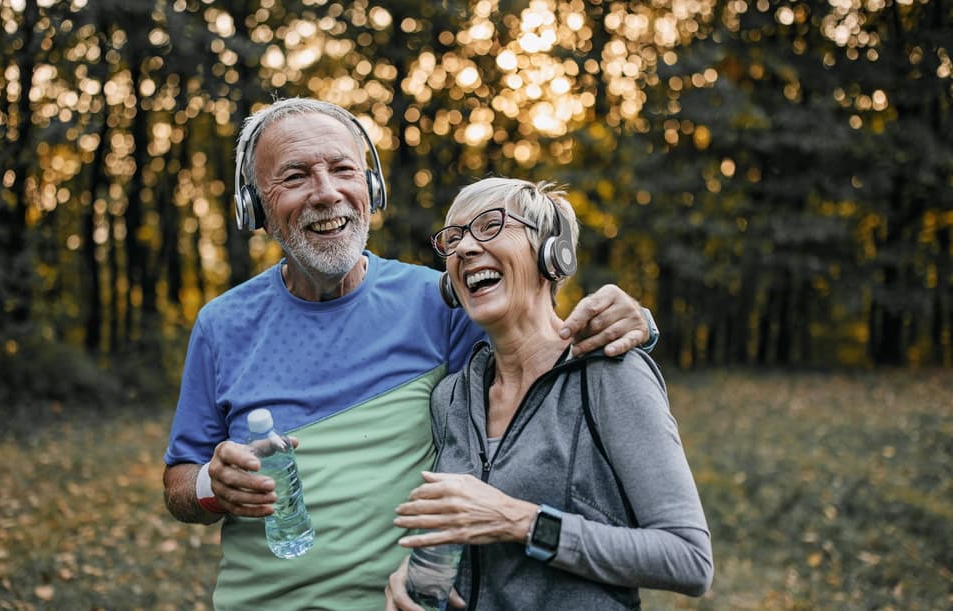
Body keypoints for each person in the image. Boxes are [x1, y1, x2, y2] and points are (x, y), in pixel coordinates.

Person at [162, 98, 657, 610]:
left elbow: (543, 350)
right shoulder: (222, 325)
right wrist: (210, 486)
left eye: (342, 170)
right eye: (295, 177)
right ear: (256, 209)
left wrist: (635, 322)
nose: (326, 193)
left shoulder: (438, 300)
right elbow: (180, 479)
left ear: (370, 189)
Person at [384, 177, 712, 610]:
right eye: (454, 238)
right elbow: (466, 533)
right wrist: (419, 576)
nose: (464, 248)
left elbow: (688, 560)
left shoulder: (611, 375)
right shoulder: (451, 398)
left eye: (490, 225)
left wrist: (519, 521)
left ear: (550, 254)